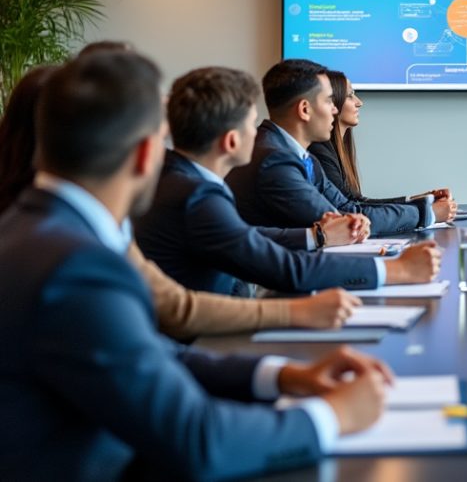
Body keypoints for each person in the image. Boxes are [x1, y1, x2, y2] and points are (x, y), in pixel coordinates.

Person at [0, 50, 389, 479]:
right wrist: (333, 415)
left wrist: (285, 375)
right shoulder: (78, 266)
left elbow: (153, 354)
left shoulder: (37, 230)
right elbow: (200, 440)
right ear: (146, 153)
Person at [0, 63, 353, 337]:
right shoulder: (71, 247)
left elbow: (177, 307)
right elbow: (173, 327)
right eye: (158, 134)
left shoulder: (83, 225)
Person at [136, 67, 443, 298]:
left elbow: (247, 236)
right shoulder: (198, 195)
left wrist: (316, 236)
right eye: (251, 124)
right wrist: (397, 269)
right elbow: (286, 268)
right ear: (231, 141)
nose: (258, 133)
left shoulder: (182, 180)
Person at [227, 59, 455, 235]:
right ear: (305, 110)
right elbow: (343, 221)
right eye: (329, 101)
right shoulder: (275, 160)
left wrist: (422, 208)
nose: (334, 110)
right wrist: (426, 213)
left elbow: (346, 206)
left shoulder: (298, 155)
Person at [310, 69, 452, 206]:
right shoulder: (320, 152)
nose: (359, 102)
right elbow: (351, 207)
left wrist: (418, 200)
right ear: (331, 103)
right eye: (350, 95)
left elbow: (357, 202)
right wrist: (422, 209)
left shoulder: (334, 150)